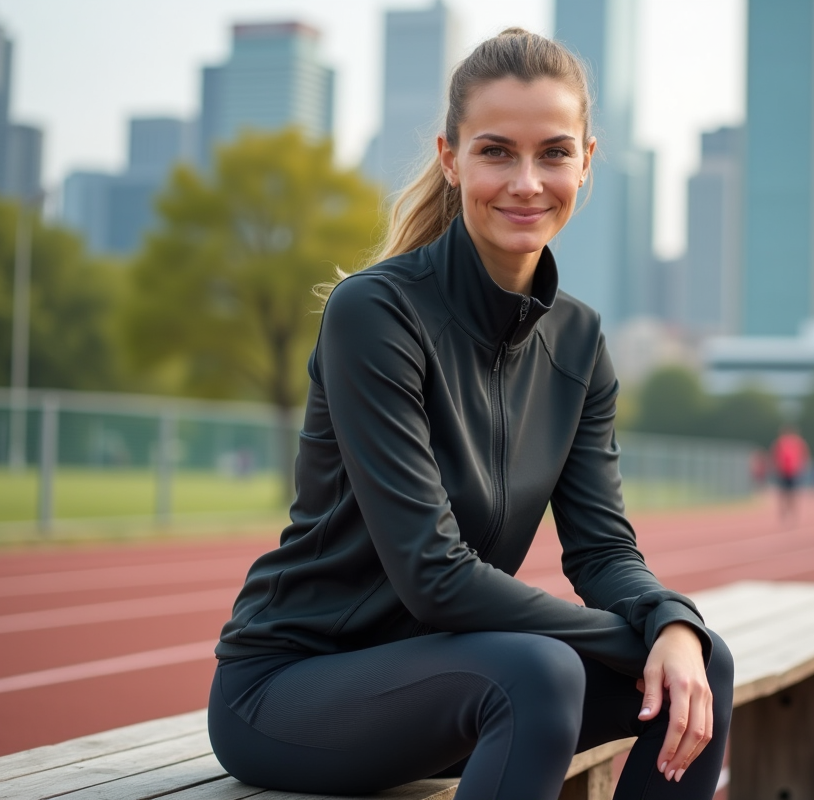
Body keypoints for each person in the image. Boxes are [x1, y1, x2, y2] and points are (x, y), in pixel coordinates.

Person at [206, 29, 733, 800]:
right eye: (496, 152)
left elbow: (601, 552)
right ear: (451, 158)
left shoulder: (579, 341)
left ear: (587, 161)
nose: (527, 181)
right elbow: (434, 578)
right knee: (542, 668)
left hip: (457, 679)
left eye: (554, 153)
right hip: (291, 692)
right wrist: (645, 632)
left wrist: (672, 623)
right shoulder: (375, 314)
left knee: (702, 664)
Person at [770, 425, 809, 522]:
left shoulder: (798, 442)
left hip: (793, 471)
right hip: (783, 471)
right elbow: (775, 455)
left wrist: (802, 467)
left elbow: (803, 456)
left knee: (792, 494)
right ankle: (784, 513)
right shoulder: (780, 442)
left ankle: (792, 513)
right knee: (784, 493)